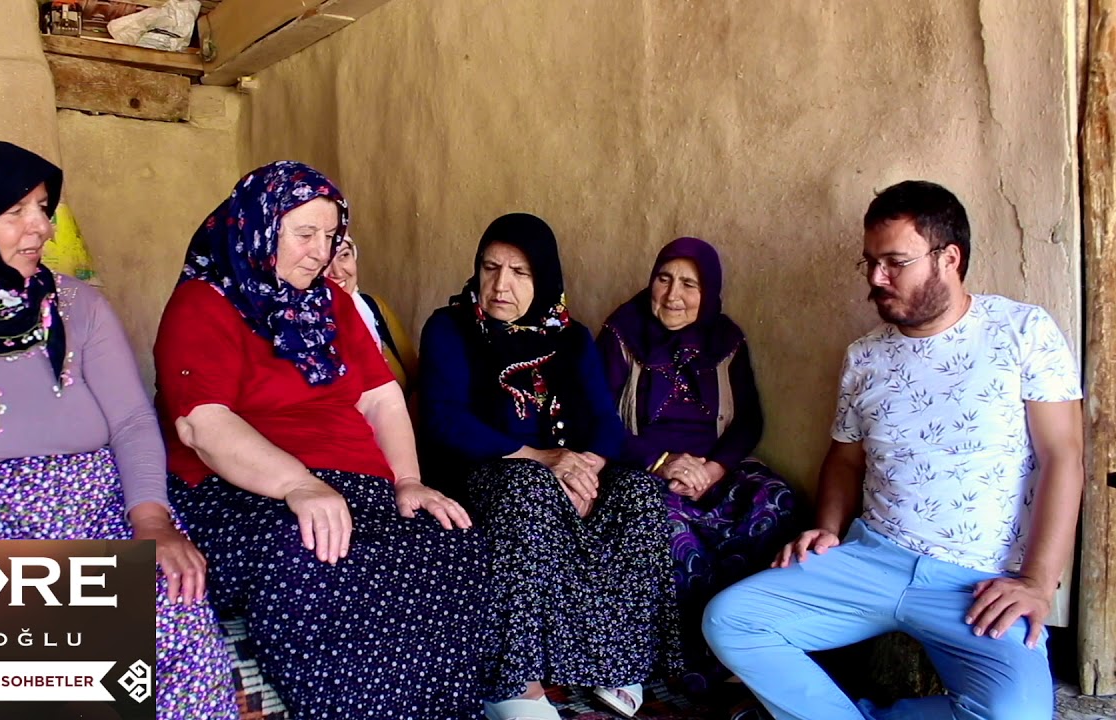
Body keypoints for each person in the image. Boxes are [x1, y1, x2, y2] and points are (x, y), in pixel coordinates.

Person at [702, 180, 1084, 720]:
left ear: (949, 257)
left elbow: (1064, 457)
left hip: (975, 585)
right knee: (730, 619)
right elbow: (845, 457)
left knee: (1016, 714)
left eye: (894, 262)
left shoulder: (1023, 331)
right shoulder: (865, 357)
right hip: (870, 559)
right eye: (870, 263)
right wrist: (829, 527)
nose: (876, 279)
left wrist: (1038, 584)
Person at [153, 161, 488, 720]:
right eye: (304, 234)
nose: (321, 251)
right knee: (312, 549)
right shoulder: (204, 303)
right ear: (259, 228)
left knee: (452, 542)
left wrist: (408, 480)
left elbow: (381, 397)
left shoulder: (330, 305)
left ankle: (447, 711)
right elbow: (202, 425)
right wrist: (298, 484)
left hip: (354, 482)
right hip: (242, 489)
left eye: (329, 236)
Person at [0, 139, 236, 719]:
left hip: (97, 517)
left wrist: (151, 521)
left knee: (173, 601)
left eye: (44, 207)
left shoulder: (77, 306)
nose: (41, 227)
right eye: (16, 212)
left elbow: (135, 420)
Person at [417, 213, 680, 720]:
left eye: (520, 273)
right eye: (491, 268)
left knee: (640, 495)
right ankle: (514, 681)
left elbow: (604, 420)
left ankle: (616, 662)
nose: (500, 285)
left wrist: (588, 468)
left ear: (545, 279)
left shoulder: (571, 337)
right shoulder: (450, 328)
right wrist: (541, 460)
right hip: (486, 470)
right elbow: (443, 419)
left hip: (561, 468)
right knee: (529, 491)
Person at [597, 236, 798, 694]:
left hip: (712, 469)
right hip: (642, 466)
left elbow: (749, 422)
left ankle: (747, 646)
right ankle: (686, 660)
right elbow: (598, 420)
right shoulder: (623, 332)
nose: (673, 295)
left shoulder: (726, 339)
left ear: (709, 292)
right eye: (664, 279)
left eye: (690, 284)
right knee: (667, 526)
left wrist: (713, 469)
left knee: (777, 500)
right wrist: (662, 462)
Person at [323, 235, 417, 392]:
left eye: (344, 255)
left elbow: (416, 381)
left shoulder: (373, 308)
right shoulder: (295, 333)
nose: (338, 272)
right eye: (324, 262)